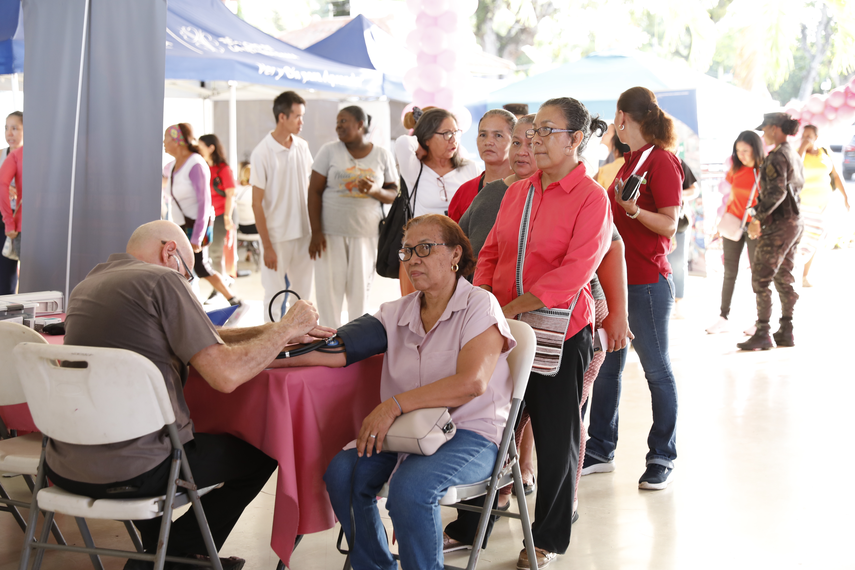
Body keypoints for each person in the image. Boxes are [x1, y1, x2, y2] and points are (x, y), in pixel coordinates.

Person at [44, 220, 330, 570]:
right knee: (263, 453)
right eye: (188, 273)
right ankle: (171, 557)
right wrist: (287, 326)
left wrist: (274, 333)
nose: (186, 282)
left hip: (68, 465)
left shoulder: (88, 284)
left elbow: (208, 335)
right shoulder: (162, 280)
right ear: (169, 252)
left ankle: (173, 556)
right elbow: (226, 376)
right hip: (135, 471)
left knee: (162, 439)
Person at [288, 214, 516, 570]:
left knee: (411, 490)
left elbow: (472, 382)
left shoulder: (480, 306)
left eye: (425, 248)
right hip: (407, 433)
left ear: (456, 254)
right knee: (343, 472)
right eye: (407, 251)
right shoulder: (395, 313)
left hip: (471, 435)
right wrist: (270, 350)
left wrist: (394, 405)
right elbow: (335, 348)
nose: (413, 259)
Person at [448, 114, 631, 554]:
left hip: (562, 332)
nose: (535, 140)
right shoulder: (517, 192)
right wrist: (486, 302)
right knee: (488, 428)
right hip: (505, 328)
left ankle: (548, 538)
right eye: (533, 132)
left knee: (555, 437)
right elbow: (491, 251)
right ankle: (471, 529)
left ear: (576, 140)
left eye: (548, 131)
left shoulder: (591, 198)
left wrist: (512, 308)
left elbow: (576, 271)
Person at [585, 87, 684, 491]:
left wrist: (634, 210)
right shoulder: (625, 162)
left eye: (616, 117)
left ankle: (662, 455)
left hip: (646, 281)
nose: (614, 124)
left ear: (625, 116)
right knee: (608, 368)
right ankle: (600, 448)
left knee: (656, 369)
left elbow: (669, 224)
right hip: (616, 283)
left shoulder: (662, 162)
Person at [307, 106, 398, 328]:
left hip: (365, 235)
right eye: (338, 122)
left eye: (344, 121)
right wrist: (316, 232)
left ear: (360, 124)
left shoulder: (382, 154)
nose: (338, 126)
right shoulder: (329, 151)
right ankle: (328, 338)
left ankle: (353, 341)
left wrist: (376, 191)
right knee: (328, 292)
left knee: (359, 291)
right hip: (330, 234)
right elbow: (314, 192)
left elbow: (394, 194)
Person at [737, 113, 804, 350]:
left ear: (775, 128)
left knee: (761, 278)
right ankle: (786, 329)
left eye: (765, 129)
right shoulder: (793, 154)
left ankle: (763, 331)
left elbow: (776, 193)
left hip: (779, 224)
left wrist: (756, 216)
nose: (763, 134)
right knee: (784, 277)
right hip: (794, 222)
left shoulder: (777, 156)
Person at [395, 107, 479, 295]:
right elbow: (402, 142)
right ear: (426, 138)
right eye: (446, 133)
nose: (454, 139)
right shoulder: (414, 169)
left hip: (455, 254)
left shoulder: (469, 168)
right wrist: (421, 148)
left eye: (456, 132)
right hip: (420, 253)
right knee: (417, 312)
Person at [250, 91, 314, 321]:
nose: (301, 122)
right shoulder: (262, 153)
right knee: (275, 296)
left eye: (302, 116)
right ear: (282, 117)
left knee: (304, 296)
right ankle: (273, 350)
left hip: (304, 235)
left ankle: (302, 343)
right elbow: (256, 204)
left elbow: (310, 189)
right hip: (276, 238)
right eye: (297, 116)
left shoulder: (302, 147)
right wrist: (266, 245)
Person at [162, 124, 242, 307]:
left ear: (178, 141)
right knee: (189, 268)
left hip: (195, 227)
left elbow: (204, 203)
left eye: (167, 138)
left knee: (200, 267)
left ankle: (233, 300)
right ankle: (195, 306)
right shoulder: (173, 165)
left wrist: (197, 236)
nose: (163, 143)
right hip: (181, 227)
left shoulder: (196, 164)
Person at [706, 131, 765, 334]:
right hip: (733, 223)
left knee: (758, 274)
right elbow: (731, 197)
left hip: (755, 227)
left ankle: (761, 320)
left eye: (745, 151)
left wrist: (757, 221)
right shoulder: (736, 169)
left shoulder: (764, 171)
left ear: (756, 149)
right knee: (729, 272)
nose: (741, 155)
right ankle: (723, 317)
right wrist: (720, 225)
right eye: (738, 151)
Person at [796, 124, 849, 287]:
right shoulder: (800, 152)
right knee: (800, 239)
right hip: (804, 204)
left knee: (815, 238)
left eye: (809, 136)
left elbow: (835, 175)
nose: (806, 138)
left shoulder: (825, 152)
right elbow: (794, 166)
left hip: (823, 205)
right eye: (804, 135)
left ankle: (805, 276)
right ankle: (792, 272)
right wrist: (803, 146)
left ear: (817, 137)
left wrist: (846, 197)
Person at [447, 109, 515, 222]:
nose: (488, 142)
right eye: (483, 135)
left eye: (498, 135)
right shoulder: (464, 192)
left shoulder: (526, 187)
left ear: (514, 141)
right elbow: (453, 237)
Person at [198, 134, 237, 286]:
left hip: (222, 215)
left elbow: (231, 194)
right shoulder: (204, 167)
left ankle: (220, 286)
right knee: (211, 252)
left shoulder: (223, 169)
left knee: (217, 252)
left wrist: (228, 217)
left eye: (201, 146)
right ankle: (221, 284)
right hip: (209, 215)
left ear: (211, 148)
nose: (199, 150)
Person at [667, 159, 699, 317]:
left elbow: (694, 190)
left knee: (678, 264)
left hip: (679, 222)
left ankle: (678, 301)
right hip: (655, 221)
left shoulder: (678, 162)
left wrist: (677, 194)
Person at [0, 111, 22, 294]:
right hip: (4, 219)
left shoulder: (31, 156)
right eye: (6, 128)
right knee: (4, 270)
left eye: (15, 128)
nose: (9, 133)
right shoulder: (1, 155)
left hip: (22, 221)